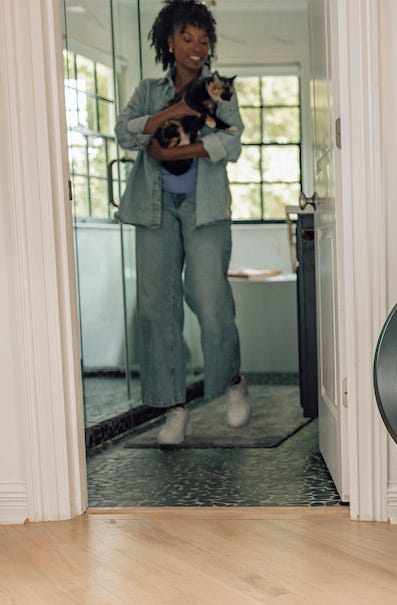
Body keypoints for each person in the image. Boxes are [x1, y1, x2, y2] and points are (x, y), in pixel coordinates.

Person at [115, 0, 249, 445]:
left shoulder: (218, 90)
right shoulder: (149, 90)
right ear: (169, 42)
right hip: (153, 210)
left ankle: (231, 380)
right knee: (157, 307)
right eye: (186, 38)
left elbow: (233, 142)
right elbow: (124, 131)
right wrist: (166, 118)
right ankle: (175, 408)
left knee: (210, 300)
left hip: (205, 207)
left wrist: (175, 150)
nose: (196, 47)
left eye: (202, 39)